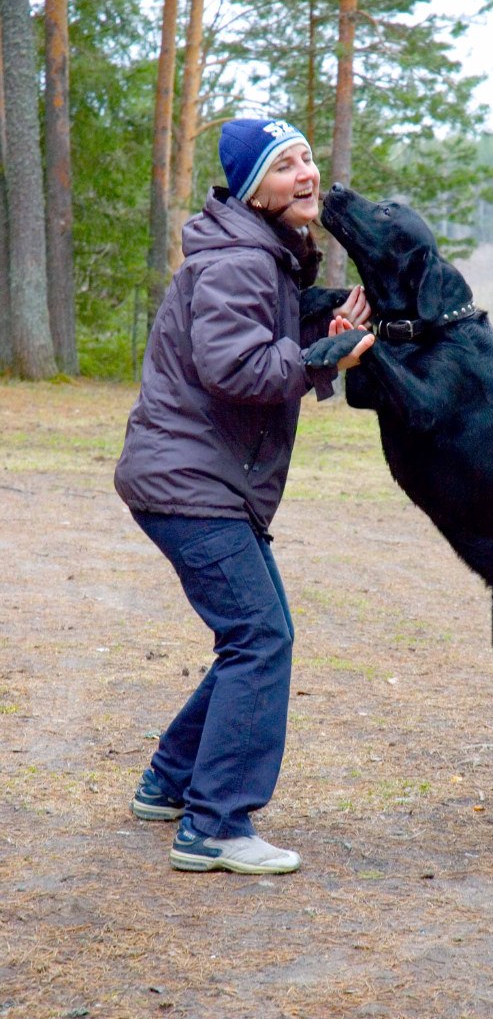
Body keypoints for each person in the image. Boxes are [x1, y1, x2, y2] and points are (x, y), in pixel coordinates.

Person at [114, 117, 374, 875]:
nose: (306, 172)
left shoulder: (262, 255)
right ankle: (215, 825)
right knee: (259, 638)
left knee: (256, 634)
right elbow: (236, 367)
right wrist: (325, 355)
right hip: (190, 485)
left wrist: (321, 328)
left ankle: (170, 783)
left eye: (306, 158)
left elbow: (266, 339)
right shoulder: (239, 261)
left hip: (201, 482)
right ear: (254, 188)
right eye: (285, 164)